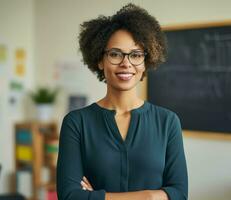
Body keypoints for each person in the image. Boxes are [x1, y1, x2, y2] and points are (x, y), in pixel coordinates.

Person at [57, 3, 188, 200]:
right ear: (100, 60)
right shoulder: (76, 123)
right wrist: (151, 196)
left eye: (136, 55)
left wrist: (98, 197)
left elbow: (179, 194)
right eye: (115, 54)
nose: (126, 63)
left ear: (145, 62)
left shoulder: (168, 122)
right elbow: (69, 196)